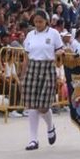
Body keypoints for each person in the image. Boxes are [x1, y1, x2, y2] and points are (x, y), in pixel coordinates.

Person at [19, 9, 62, 150]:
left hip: (47, 67)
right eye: (36, 21)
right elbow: (26, 56)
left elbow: (59, 50)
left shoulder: (54, 34)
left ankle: (50, 127)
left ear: (46, 21)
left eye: (40, 21)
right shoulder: (30, 35)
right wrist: (23, 75)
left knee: (43, 106)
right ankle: (33, 139)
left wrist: (59, 53)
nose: (38, 24)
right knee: (31, 104)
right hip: (32, 67)